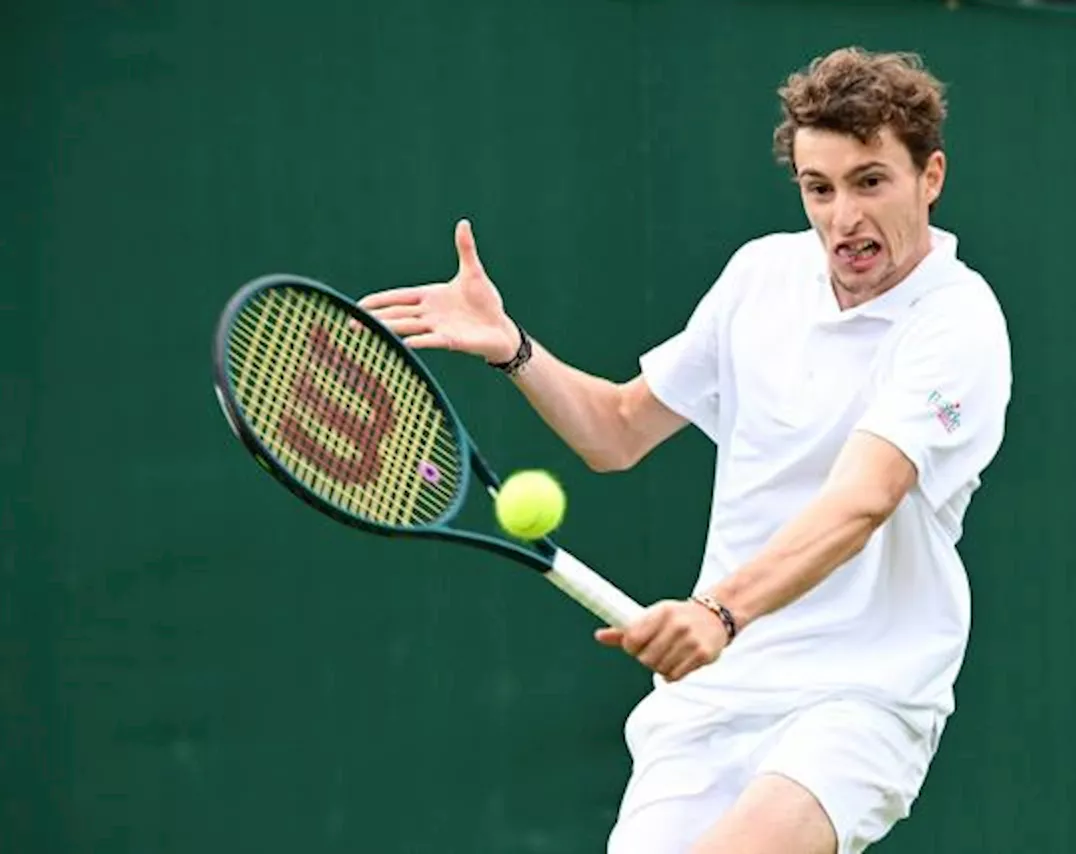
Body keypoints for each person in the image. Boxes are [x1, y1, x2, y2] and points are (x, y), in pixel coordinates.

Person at [360, 46, 1012, 854]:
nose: (843, 218)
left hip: (861, 696)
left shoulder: (959, 322)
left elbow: (863, 498)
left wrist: (719, 611)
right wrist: (512, 348)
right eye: (819, 188)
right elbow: (618, 431)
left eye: (870, 181)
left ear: (930, 176)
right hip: (712, 693)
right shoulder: (760, 277)